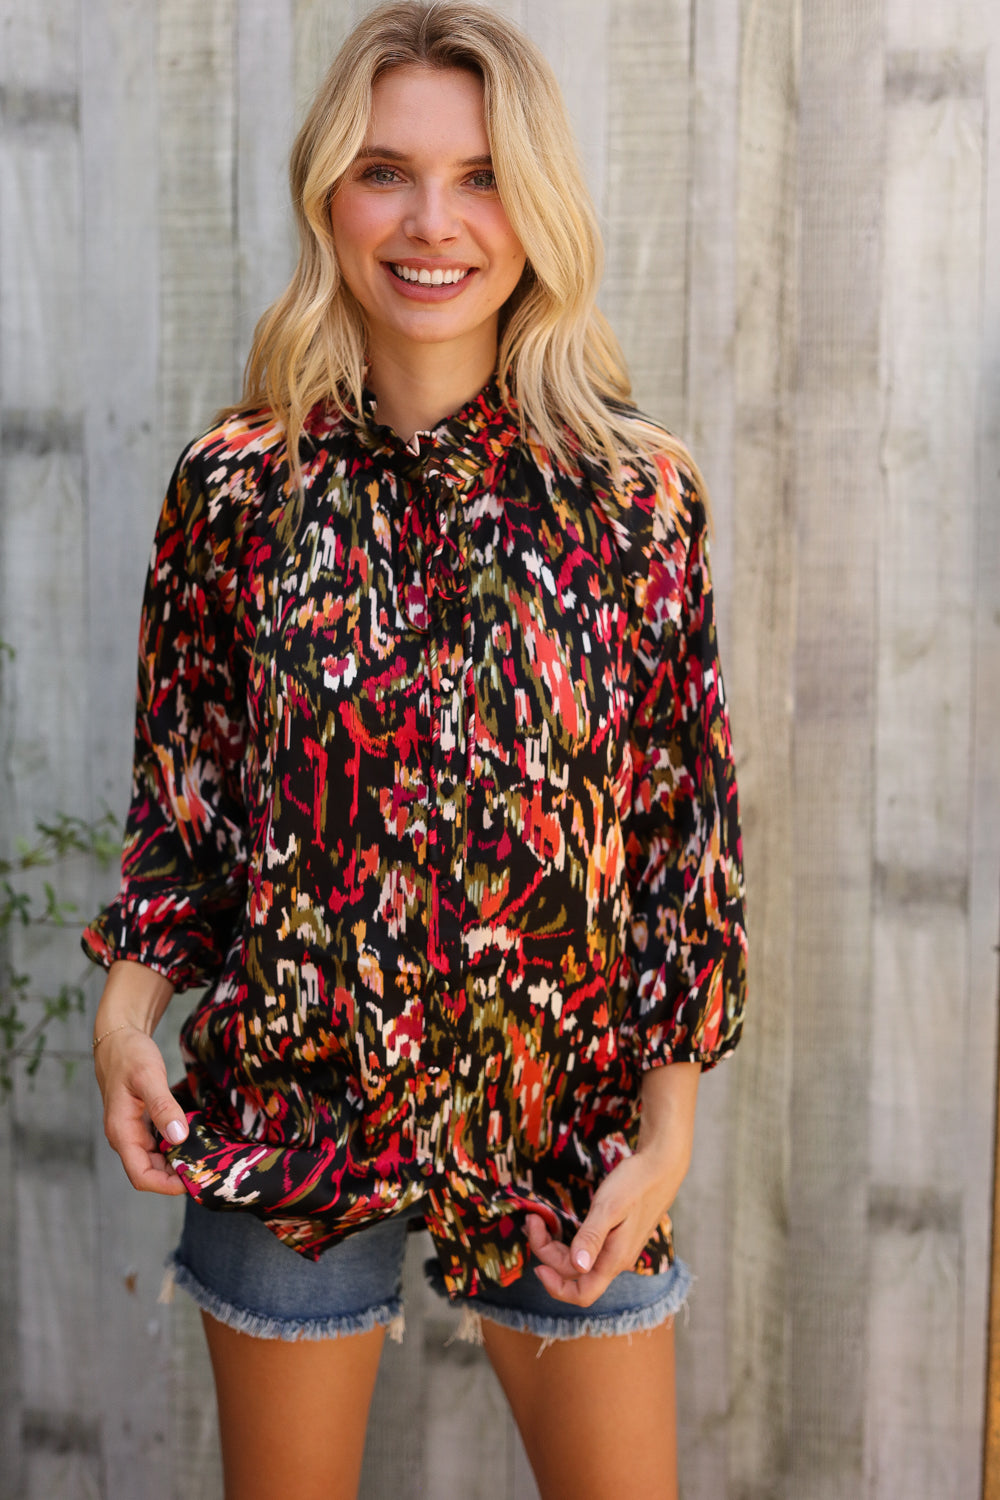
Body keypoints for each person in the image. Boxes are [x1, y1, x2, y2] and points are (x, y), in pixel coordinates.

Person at [84, 4, 747, 1497]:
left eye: (482, 174)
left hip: (561, 1119)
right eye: (388, 171)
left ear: (539, 206)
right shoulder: (240, 488)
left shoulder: (635, 498)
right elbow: (184, 813)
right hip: (294, 1107)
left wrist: (669, 1132)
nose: (434, 222)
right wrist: (129, 1025)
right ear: (330, 193)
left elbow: (679, 838)